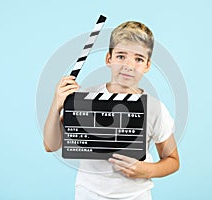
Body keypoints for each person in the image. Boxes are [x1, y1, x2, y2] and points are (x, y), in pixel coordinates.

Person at [43, 21, 180, 200]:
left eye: (138, 59)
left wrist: (146, 169)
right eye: (121, 56)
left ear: (147, 65)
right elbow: (50, 145)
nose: (128, 66)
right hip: (88, 194)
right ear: (109, 58)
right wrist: (56, 104)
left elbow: (172, 160)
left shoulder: (154, 108)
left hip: (136, 196)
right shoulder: (84, 99)